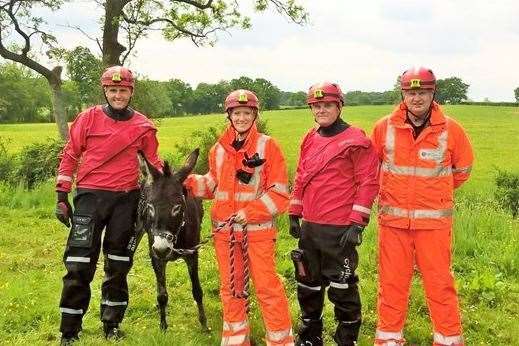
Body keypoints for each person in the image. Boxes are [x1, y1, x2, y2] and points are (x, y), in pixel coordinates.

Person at [55, 66, 163, 345]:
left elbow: (154, 164)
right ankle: (69, 331)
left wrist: (173, 186)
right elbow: (70, 156)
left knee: (118, 264)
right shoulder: (87, 119)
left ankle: (111, 324)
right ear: (105, 91)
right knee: (79, 264)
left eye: (123, 90)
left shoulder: (144, 126)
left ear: (130, 92)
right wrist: (61, 196)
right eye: (113, 90)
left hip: (126, 200)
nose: (118, 94)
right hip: (90, 198)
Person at [371, 67, 474, 346]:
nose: (416, 98)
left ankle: (448, 339)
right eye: (411, 92)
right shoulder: (383, 128)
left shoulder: (452, 130)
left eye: (423, 92)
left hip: (434, 225)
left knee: (440, 283)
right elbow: (370, 171)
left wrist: (435, 194)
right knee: (391, 283)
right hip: (393, 224)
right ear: (403, 94)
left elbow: (462, 171)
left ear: (433, 93)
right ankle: (389, 338)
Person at [184, 89, 294, 346]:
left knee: (267, 288)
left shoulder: (268, 146)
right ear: (229, 116)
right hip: (225, 235)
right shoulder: (218, 150)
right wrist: (184, 182)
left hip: (257, 234)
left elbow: (279, 194)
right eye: (237, 113)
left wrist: (249, 213)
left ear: (254, 115)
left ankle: (280, 341)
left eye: (247, 113)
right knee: (231, 290)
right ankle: (236, 340)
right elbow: (213, 185)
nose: (242, 118)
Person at [288, 82, 380, 346]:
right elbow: (301, 175)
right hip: (311, 228)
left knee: (343, 288)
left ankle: (346, 340)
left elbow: (368, 182)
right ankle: (309, 338)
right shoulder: (309, 138)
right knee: (308, 286)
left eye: (327, 105)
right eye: (316, 106)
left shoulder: (356, 140)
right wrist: (295, 211)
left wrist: (357, 224)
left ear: (339, 106)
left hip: (340, 229)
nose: (321, 110)